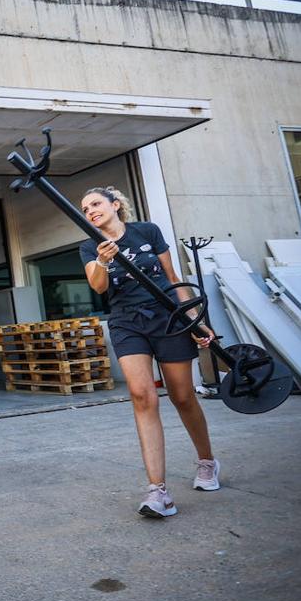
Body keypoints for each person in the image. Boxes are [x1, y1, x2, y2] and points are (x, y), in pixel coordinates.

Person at [78, 186, 219, 518]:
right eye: (85, 209)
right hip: (127, 322)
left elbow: (172, 277)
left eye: (96, 204)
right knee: (143, 396)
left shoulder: (147, 231)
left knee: (183, 396)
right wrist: (101, 260)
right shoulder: (89, 246)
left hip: (167, 318)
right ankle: (158, 492)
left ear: (114, 205)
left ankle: (207, 462)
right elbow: (98, 286)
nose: (91, 211)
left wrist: (196, 321)